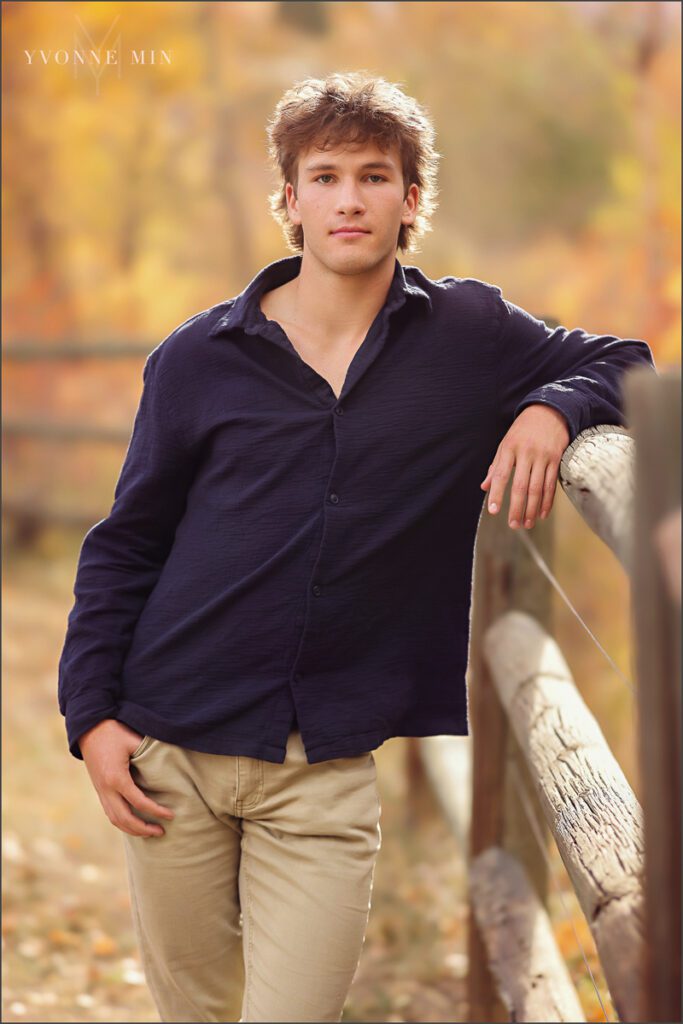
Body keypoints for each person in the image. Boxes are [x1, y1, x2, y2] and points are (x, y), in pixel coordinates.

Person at [57, 71, 657, 1023]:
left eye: (373, 176)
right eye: (324, 176)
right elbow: (126, 546)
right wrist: (92, 717)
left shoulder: (466, 333)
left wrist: (552, 407)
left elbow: (623, 358)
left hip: (325, 769)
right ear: (288, 200)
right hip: (171, 748)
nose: (348, 199)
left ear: (410, 198)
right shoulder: (198, 358)